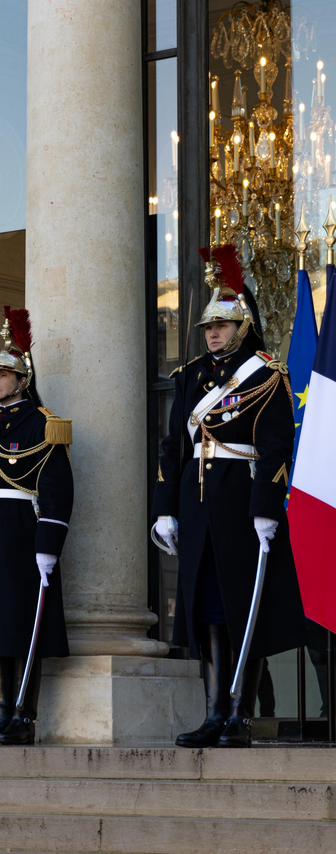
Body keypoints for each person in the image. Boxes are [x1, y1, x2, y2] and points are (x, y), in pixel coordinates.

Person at [153, 244, 305, 748]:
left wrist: (265, 508)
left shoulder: (265, 374)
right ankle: (214, 711)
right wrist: (165, 512)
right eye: (207, 327)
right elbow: (172, 448)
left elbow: (277, 444)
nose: (213, 333)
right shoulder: (191, 376)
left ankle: (239, 713)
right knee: (207, 611)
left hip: (241, 505)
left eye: (221, 325)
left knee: (242, 606)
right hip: (197, 509)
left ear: (242, 327)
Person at [0, 308, 73, 746]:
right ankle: (2, 712)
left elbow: (58, 488)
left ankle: (25, 716)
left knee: (23, 627)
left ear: (23, 380)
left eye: (4, 374)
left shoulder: (42, 423)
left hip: (22, 534)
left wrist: (49, 544)